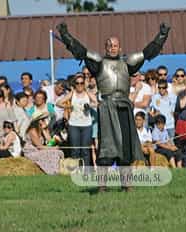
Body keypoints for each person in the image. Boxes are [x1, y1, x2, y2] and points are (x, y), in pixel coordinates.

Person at [56, 21, 170, 191]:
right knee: (106, 147)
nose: (112, 47)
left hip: (124, 106)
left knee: (126, 147)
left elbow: (147, 53)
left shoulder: (128, 63)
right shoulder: (98, 63)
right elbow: (80, 51)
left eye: (115, 45)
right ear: (105, 47)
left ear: (120, 47)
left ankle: (127, 185)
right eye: (109, 45)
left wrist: (162, 36)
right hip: (107, 107)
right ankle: (102, 186)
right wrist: (66, 36)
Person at [56, 74, 97, 170]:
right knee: (75, 150)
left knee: (85, 150)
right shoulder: (72, 93)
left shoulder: (88, 93)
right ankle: (76, 171)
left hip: (86, 125)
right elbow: (58, 103)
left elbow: (97, 103)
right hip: (73, 125)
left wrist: (90, 106)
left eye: (81, 83)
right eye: (77, 83)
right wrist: (68, 106)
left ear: (84, 84)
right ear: (74, 84)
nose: (79, 85)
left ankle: (86, 171)